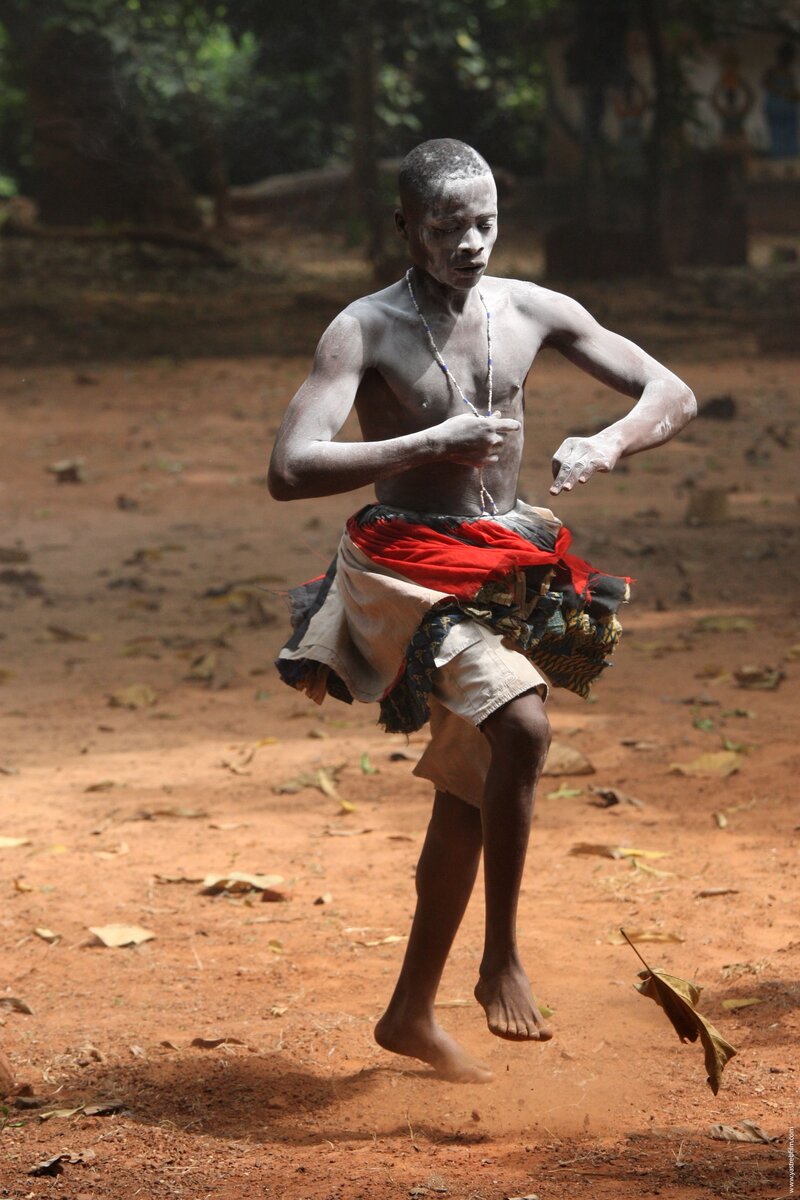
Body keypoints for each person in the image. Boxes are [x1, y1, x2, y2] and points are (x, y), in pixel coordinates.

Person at [268, 139, 696, 1084]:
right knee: (526, 729)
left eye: (485, 223)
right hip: (404, 570)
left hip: (502, 562)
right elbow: (290, 467)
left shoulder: (530, 308)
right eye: (447, 226)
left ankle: (408, 1014)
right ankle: (500, 953)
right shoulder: (364, 329)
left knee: (471, 790)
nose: (470, 242)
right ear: (405, 229)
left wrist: (613, 443)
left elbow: (672, 389)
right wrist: (432, 438)